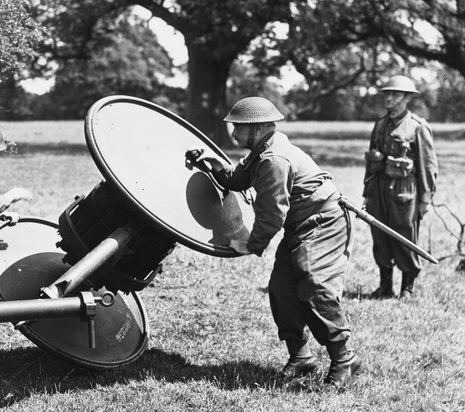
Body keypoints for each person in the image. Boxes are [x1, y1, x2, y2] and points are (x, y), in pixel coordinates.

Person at [186, 97, 363, 389]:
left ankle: (345, 359)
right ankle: (302, 357)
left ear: (256, 128)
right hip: (301, 224)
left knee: (313, 285)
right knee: (282, 288)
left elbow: (271, 215)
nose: (233, 134)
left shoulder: (273, 159)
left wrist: (251, 245)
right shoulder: (262, 150)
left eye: (239, 128)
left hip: (323, 221)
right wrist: (213, 163)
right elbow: (237, 179)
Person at [364, 75, 438, 299]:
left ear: (406, 98)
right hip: (378, 191)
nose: (389, 98)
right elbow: (371, 162)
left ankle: (408, 287)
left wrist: (425, 199)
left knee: (405, 238)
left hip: (404, 193)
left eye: (394, 94)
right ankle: (385, 286)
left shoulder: (417, 127)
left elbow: (428, 166)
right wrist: (367, 194)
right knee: (380, 237)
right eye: (387, 94)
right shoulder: (379, 125)